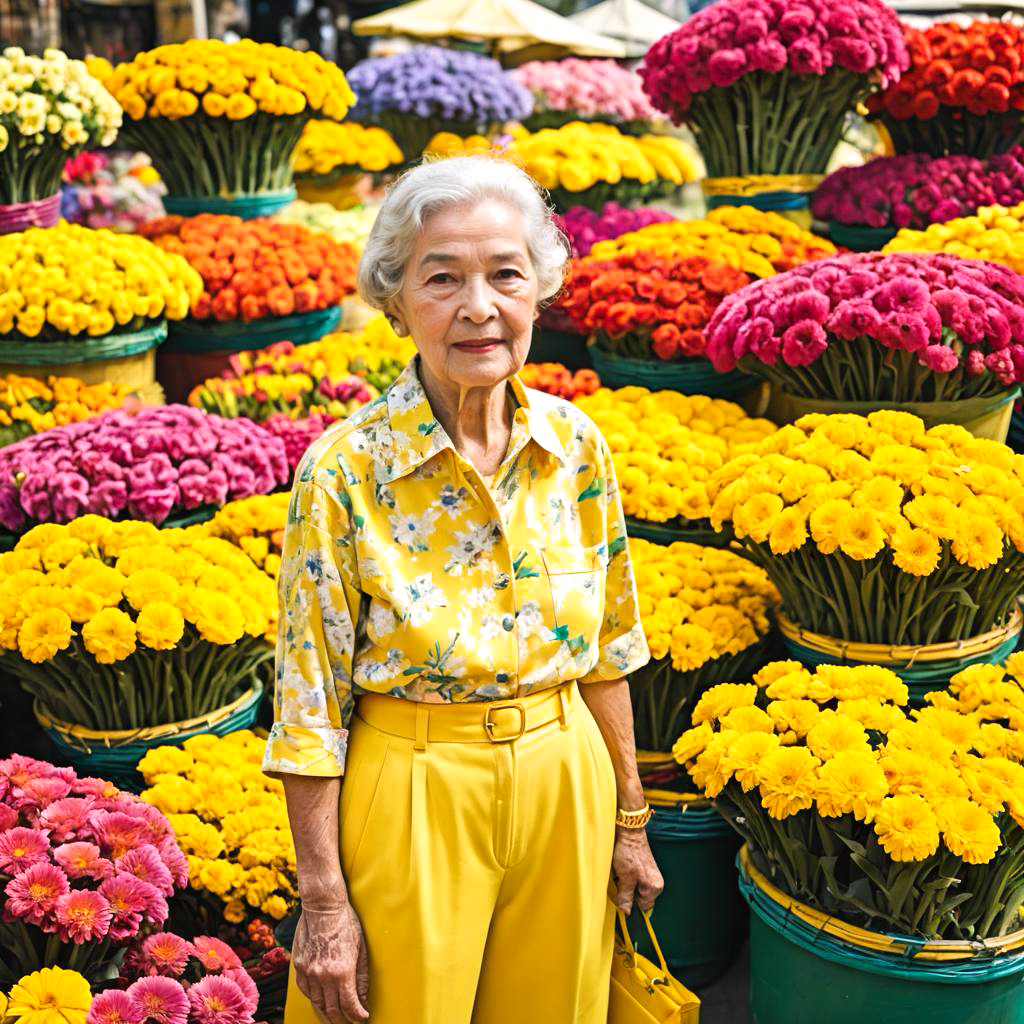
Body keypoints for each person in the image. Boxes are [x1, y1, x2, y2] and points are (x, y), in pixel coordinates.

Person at [263, 155, 664, 1024]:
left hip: (567, 782)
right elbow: (308, 706)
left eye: (505, 274)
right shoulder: (344, 472)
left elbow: (608, 650)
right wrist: (324, 901)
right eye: (442, 278)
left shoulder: (577, 445)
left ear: (539, 291)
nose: (479, 306)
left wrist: (631, 820)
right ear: (396, 298)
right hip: (413, 789)